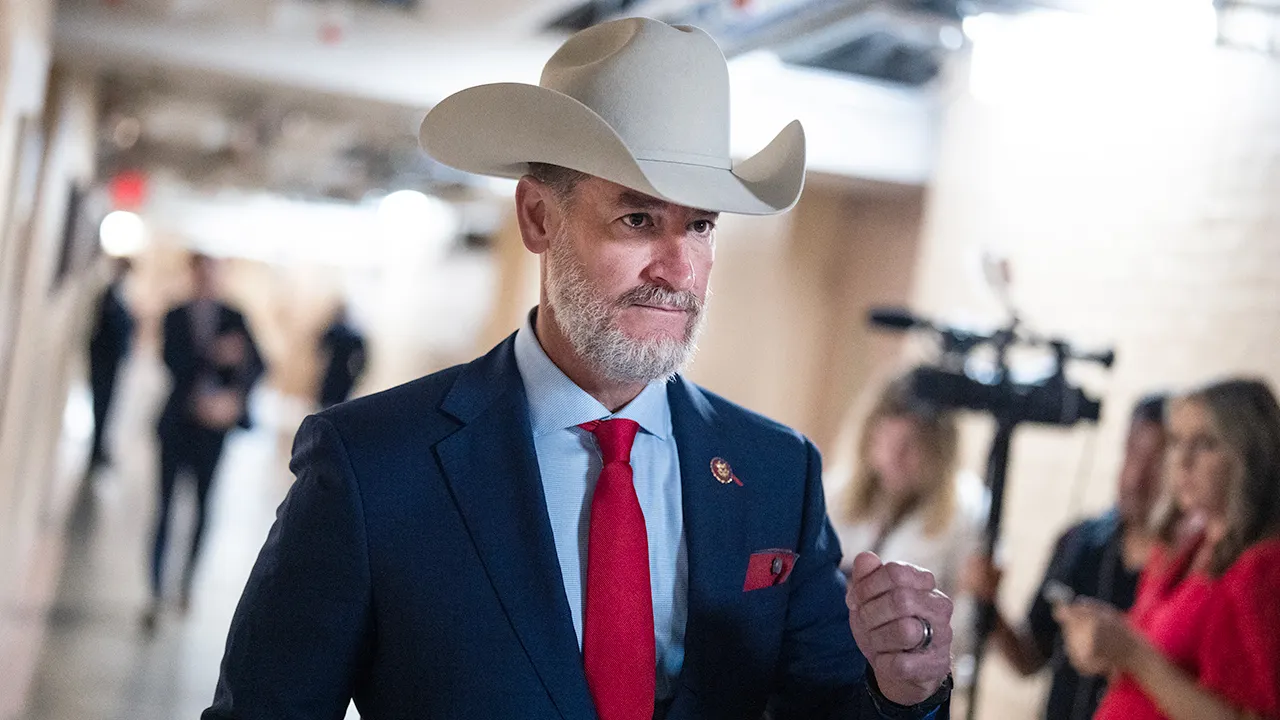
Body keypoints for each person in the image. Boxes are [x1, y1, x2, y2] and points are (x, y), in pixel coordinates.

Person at [204, 17, 954, 720]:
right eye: (638, 219)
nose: (677, 270)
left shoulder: (776, 472)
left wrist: (901, 687)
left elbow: (828, 702)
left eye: (699, 226)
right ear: (538, 217)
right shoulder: (373, 464)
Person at [1054, 379, 1280, 720]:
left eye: (1205, 444)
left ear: (1250, 455)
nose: (1183, 460)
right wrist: (1107, 642)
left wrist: (1131, 653)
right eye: (1177, 442)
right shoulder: (1185, 548)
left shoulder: (1263, 567)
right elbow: (1158, 674)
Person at [960, 393, 1167, 720]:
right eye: (1131, 453)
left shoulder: (1191, 568)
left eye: (1156, 462)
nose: (1135, 478)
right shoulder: (1079, 542)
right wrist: (990, 603)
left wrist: (1128, 657)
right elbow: (1030, 659)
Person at [832, 377, 986, 673]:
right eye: (884, 440)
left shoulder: (968, 511)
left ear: (939, 451)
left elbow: (964, 633)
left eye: (909, 445)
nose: (893, 458)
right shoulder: (835, 494)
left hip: (908, 677)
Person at [148, 253, 264, 628]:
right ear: (193, 274)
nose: (209, 279)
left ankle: (186, 585)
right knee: (165, 506)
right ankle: (156, 589)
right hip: (177, 424)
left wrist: (233, 398)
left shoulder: (235, 317)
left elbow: (258, 365)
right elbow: (171, 361)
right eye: (203, 272)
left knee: (203, 506)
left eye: (215, 273)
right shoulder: (175, 315)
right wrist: (213, 354)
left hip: (212, 431)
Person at [87, 256, 135, 472]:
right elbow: (106, 329)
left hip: (112, 363)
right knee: (101, 406)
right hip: (104, 363)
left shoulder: (120, 295)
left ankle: (100, 448)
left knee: (109, 407)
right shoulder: (109, 295)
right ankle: (95, 451)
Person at [316, 303, 366, 409]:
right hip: (338, 372)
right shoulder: (347, 334)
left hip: (339, 373)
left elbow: (320, 349)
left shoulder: (338, 333)